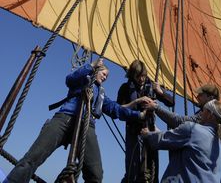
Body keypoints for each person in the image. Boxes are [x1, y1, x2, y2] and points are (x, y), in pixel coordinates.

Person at [5, 59, 148, 183]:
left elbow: (116, 109)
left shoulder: (102, 95)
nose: (105, 77)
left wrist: (138, 115)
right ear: (96, 71)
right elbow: (70, 79)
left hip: (87, 127)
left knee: (96, 175)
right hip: (65, 118)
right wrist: (91, 65)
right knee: (31, 159)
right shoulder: (82, 80)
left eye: (107, 76)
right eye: (104, 73)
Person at [141, 99, 221, 183]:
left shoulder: (192, 129)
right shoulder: (217, 142)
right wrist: (159, 133)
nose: (200, 113)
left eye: (203, 110)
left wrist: (148, 134)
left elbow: (160, 141)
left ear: (210, 115)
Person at [117, 59, 174, 183]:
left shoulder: (152, 87)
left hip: (151, 129)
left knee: (152, 166)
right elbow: (118, 110)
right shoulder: (125, 88)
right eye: (138, 76)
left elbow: (171, 102)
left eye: (143, 76)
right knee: (133, 166)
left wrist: (160, 92)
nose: (142, 79)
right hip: (133, 131)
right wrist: (136, 102)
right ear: (132, 75)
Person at [144, 83, 220, 128]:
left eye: (201, 95)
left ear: (210, 98)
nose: (197, 97)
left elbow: (180, 122)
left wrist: (156, 108)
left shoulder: (207, 115)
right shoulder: (215, 113)